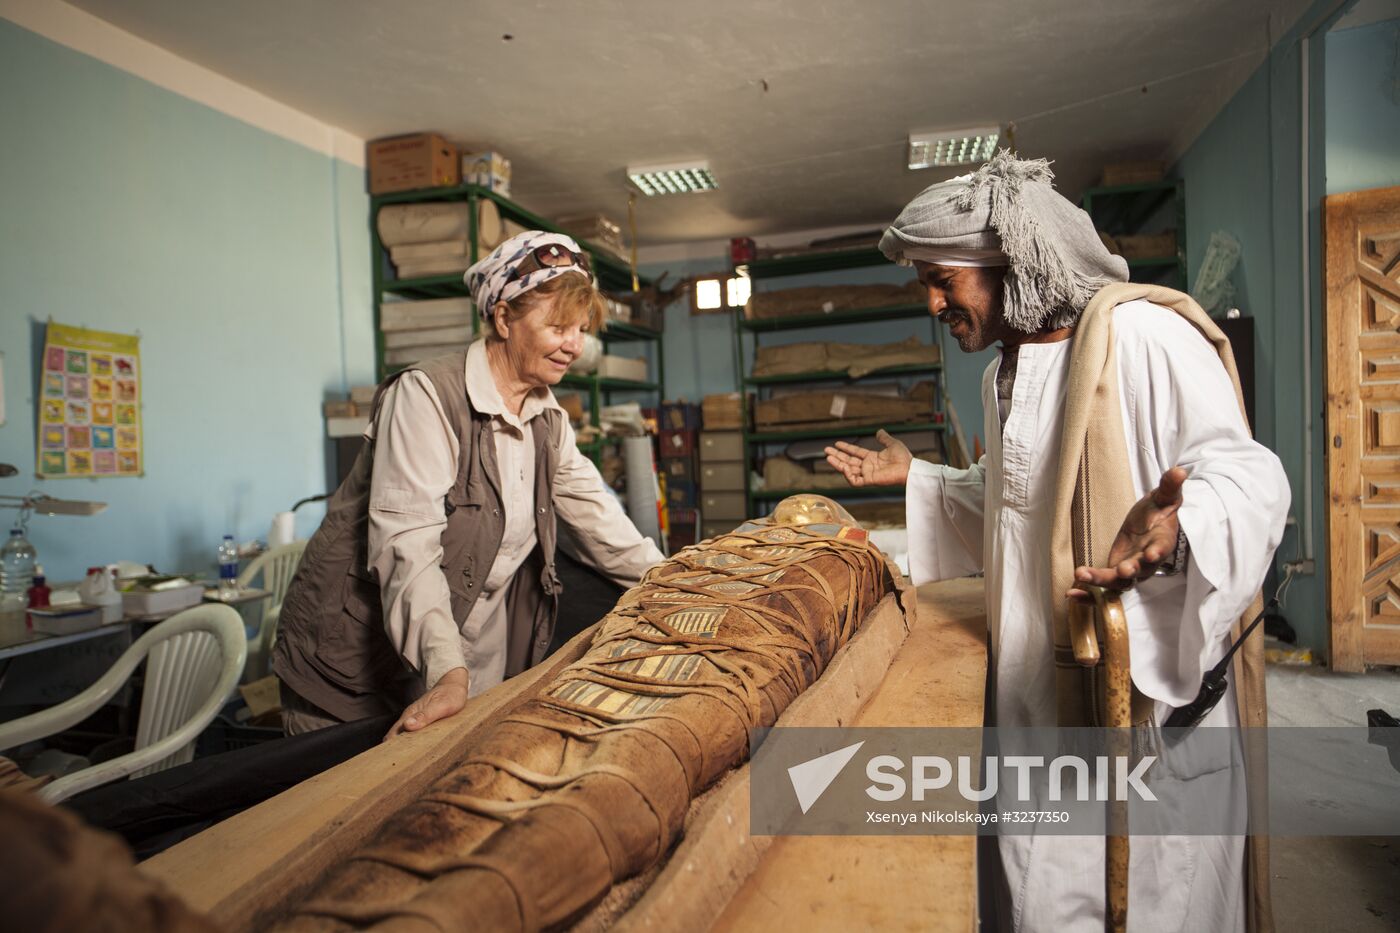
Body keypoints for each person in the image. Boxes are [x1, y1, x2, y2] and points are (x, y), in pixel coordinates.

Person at [825, 153, 1288, 933]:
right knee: (1041, 891)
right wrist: (925, 480)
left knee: (1152, 900)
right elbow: (1017, 509)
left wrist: (1179, 533)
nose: (934, 301)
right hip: (1034, 702)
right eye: (926, 283)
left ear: (1013, 264)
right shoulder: (1003, 374)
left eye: (945, 279)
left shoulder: (1141, 335)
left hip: (1142, 710)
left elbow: (1249, 475)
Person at [273, 231, 664, 738]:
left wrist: (682, 582)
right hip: (353, 671)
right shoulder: (425, 396)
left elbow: (603, 525)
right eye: (558, 326)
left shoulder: (547, 419)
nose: (574, 345)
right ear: (503, 318)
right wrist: (447, 671)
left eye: (581, 329)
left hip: (467, 663)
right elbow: (406, 547)